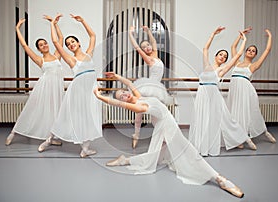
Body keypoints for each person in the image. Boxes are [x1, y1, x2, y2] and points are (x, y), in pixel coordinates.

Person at [94, 72, 244, 198]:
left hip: (168, 123)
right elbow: (116, 103)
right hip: (164, 126)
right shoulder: (137, 106)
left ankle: (125, 160)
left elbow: (129, 84)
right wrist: (100, 97)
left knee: (161, 154)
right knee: (185, 151)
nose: (125, 95)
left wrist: (117, 77)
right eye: (121, 97)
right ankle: (220, 179)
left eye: (124, 92)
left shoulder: (138, 96)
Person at [38, 14, 102, 158]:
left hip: (91, 90)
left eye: (73, 41)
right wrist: (53, 24)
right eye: (68, 44)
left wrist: (83, 20)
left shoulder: (89, 54)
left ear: (78, 43)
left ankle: (85, 149)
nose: (70, 44)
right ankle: (49, 140)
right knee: (65, 117)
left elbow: (93, 36)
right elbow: (55, 41)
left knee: (90, 118)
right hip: (78, 90)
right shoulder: (71, 59)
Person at [188, 26, 256, 156]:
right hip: (202, 95)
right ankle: (201, 147)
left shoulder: (222, 70)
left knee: (225, 120)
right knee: (202, 120)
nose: (223, 57)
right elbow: (205, 49)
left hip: (213, 96)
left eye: (225, 57)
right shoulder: (206, 65)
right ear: (216, 56)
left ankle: (244, 138)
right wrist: (213, 34)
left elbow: (237, 56)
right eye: (221, 55)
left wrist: (244, 40)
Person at [5, 16, 64, 146]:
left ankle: (50, 137)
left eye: (45, 43)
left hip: (56, 88)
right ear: (38, 49)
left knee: (54, 113)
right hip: (44, 87)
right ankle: (13, 133)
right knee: (31, 109)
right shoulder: (39, 59)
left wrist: (53, 24)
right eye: (41, 45)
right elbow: (24, 45)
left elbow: (60, 39)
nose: (44, 46)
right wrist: (17, 29)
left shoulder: (57, 55)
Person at [227, 28, 276, 144]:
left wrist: (270, 37)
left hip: (246, 91)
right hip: (235, 91)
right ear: (245, 51)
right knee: (235, 113)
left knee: (250, 113)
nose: (250, 51)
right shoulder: (237, 63)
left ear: (255, 55)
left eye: (253, 51)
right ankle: (238, 138)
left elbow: (267, 50)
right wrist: (241, 36)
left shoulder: (253, 65)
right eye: (248, 49)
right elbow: (233, 47)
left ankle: (263, 132)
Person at [128, 25, 166, 148]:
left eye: (147, 45)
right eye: (144, 47)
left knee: (156, 114)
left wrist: (148, 31)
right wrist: (130, 34)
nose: (146, 48)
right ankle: (136, 135)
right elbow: (136, 47)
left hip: (156, 88)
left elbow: (154, 41)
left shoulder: (155, 53)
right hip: (149, 88)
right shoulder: (148, 58)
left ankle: (163, 136)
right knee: (140, 113)